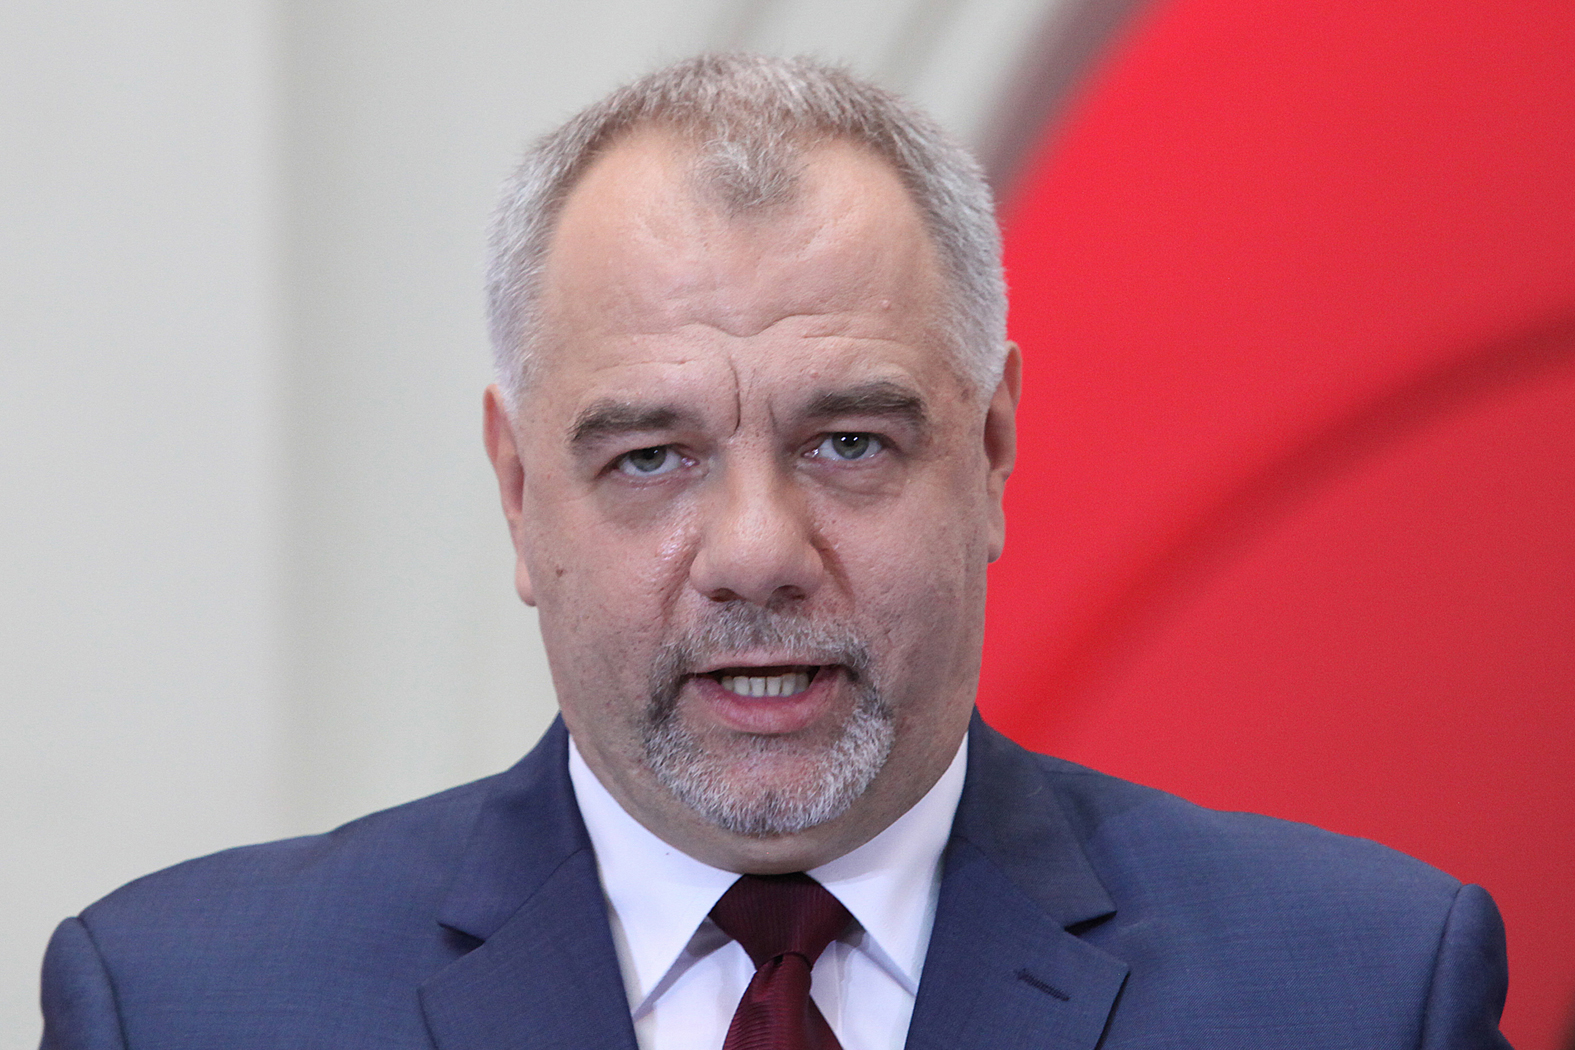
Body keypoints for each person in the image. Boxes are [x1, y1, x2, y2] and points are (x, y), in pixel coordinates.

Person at [39, 53, 1511, 1050]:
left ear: (992, 451)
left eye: (849, 442)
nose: (756, 551)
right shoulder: (181, 1007)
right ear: (518, 493)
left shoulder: (1365, 992)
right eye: (651, 457)